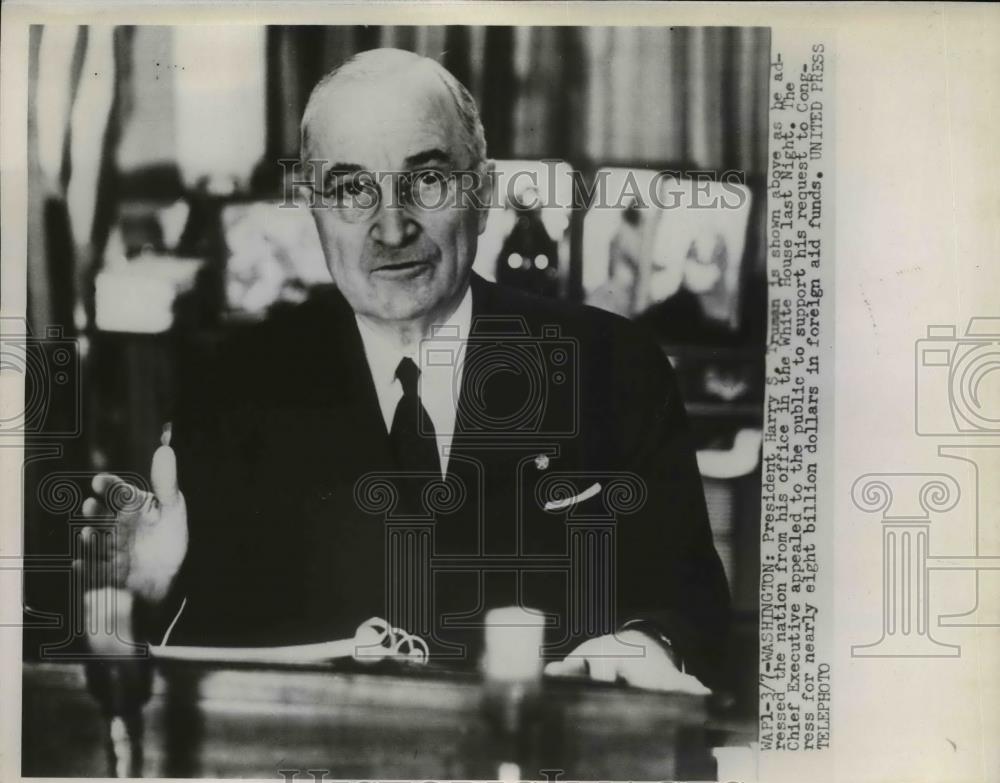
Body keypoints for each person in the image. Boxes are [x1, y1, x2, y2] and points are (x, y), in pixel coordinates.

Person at [79, 49, 731, 693]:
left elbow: (692, 612)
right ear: (313, 207)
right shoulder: (235, 389)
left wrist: (643, 647)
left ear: (482, 188)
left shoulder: (614, 368)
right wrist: (153, 593)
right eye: (352, 187)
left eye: (427, 179)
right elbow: (206, 655)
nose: (391, 228)